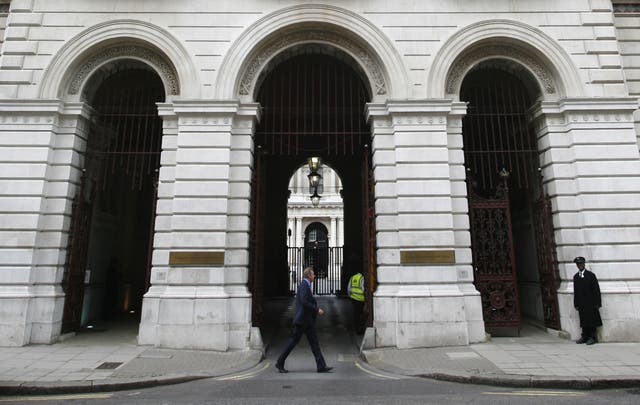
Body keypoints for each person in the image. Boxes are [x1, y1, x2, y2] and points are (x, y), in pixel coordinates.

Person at [275, 267, 333, 373]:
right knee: (292, 342)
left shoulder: (306, 285)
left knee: (314, 343)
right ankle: (279, 362)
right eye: (313, 274)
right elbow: (304, 301)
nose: (314, 276)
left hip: (307, 320)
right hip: (302, 320)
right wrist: (317, 309)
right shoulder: (304, 285)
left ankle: (321, 366)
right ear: (309, 276)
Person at [573, 256, 602, 345]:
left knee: (591, 320)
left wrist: (597, 303)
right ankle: (584, 336)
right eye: (578, 264)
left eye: (581, 264)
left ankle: (592, 337)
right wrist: (576, 303)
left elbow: (596, 290)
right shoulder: (576, 277)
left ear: (584, 264)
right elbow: (576, 291)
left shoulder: (591, 275)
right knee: (583, 320)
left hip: (590, 302)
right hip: (581, 303)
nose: (580, 265)